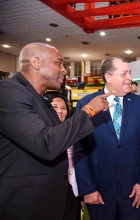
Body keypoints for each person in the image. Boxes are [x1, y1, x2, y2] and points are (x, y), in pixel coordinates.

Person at [0, 42, 110, 220]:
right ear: (36, 62)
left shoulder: (41, 99)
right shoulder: (8, 91)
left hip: (57, 200)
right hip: (27, 204)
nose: (64, 70)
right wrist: (88, 111)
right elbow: (47, 145)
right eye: (59, 63)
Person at [74, 57, 140, 220]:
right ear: (108, 77)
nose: (130, 78)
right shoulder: (86, 103)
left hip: (133, 190)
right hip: (100, 190)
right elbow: (80, 150)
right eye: (124, 73)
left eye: (130, 73)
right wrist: (88, 189)